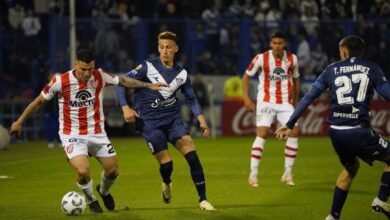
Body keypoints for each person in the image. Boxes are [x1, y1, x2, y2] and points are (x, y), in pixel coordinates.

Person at [10, 49, 166, 213]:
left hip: (97, 132)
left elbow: (124, 81)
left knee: (113, 171)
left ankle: (103, 192)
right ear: (75, 64)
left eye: (90, 69)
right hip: (72, 134)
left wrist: (148, 85)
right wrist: (19, 121)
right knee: (83, 171)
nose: (87, 73)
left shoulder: (99, 75)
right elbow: (39, 101)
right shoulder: (60, 81)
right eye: (83, 69)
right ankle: (91, 200)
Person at [275, 35, 390, 220]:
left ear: (344, 51)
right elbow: (386, 92)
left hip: (336, 132)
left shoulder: (331, 69)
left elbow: (308, 97)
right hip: (359, 130)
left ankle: (333, 216)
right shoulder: (372, 68)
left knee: (351, 169)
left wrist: (289, 124)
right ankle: (381, 199)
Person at [116, 31, 216, 210]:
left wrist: (202, 120)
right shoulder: (147, 67)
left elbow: (191, 99)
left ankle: (203, 200)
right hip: (150, 125)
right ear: (158, 48)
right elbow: (121, 83)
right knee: (167, 165)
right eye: (161, 47)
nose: (165, 51)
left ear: (176, 48)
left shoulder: (182, 74)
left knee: (193, 157)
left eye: (168, 47)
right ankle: (166, 182)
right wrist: (125, 107)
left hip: (173, 122)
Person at [242, 31, 300, 187]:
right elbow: (246, 76)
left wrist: (296, 102)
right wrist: (246, 98)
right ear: (270, 44)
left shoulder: (292, 59)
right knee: (262, 133)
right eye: (274, 43)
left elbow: (296, 79)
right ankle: (253, 175)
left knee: (294, 132)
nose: (277, 46)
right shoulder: (261, 58)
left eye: (280, 43)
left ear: (284, 44)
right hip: (266, 101)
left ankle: (288, 173)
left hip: (285, 102)